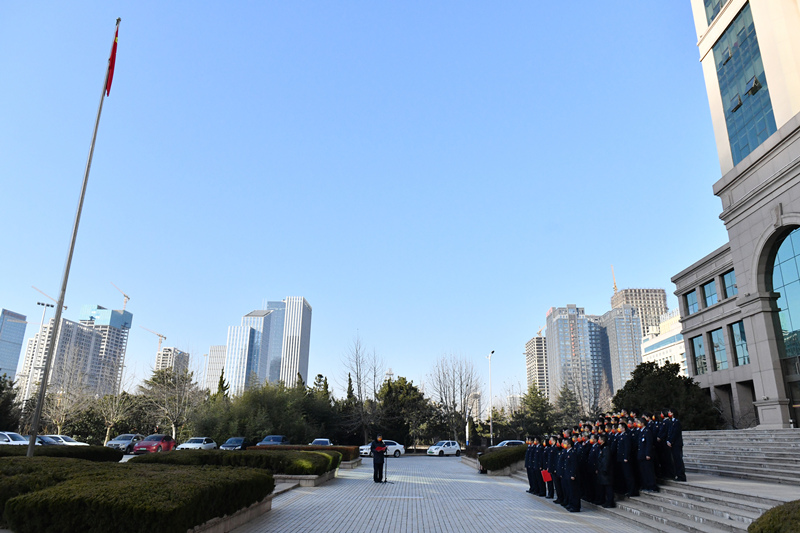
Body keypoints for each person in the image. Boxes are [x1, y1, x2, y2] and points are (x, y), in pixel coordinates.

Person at [596, 434, 615, 508]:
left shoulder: (606, 449)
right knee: (605, 487)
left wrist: (604, 469)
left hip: (606, 472)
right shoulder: (602, 449)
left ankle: (610, 502)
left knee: (608, 488)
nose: (599, 441)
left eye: (600, 439)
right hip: (602, 471)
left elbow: (606, 461)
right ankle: (606, 501)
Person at [667, 408, 687, 482]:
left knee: (678, 459)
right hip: (673, 444)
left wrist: (671, 441)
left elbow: (675, 433)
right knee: (675, 460)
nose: (669, 413)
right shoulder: (672, 422)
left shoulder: (676, 422)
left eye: (670, 412)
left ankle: (681, 476)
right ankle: (677, 474)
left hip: (676, 444)